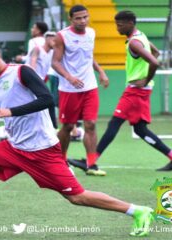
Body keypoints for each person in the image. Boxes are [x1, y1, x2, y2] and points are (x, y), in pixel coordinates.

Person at [0, 40, 154, 238]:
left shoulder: (22, 72)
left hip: (42, 151)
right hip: (14, 148)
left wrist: (10, 112)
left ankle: (138, 211)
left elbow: (47, 99)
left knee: (77, 197)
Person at [70, 10, 172, 172]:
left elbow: (154, 61)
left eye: (120, 25)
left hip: (135, 91)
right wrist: (145, 79)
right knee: (140, 129)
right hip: (141, 90)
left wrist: (144, 79)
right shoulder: (141, 36)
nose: (117, 28)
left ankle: (90, 162)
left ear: (130, 23)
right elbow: (156, 52)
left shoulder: (134, 42)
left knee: (114, 124)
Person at [52, 5, 109, 176]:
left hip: (89, 87)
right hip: (69, 89)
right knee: (68, 126)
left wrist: (101, 72)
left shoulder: (91, 33)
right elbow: (55, 62)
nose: (83, 21)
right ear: (71, 19)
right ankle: (61, 161)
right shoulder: (62, 36)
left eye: (85, 17)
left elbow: (89, 56)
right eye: (78, 18)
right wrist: (69, 77)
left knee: (90, 124)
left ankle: (92, 165)